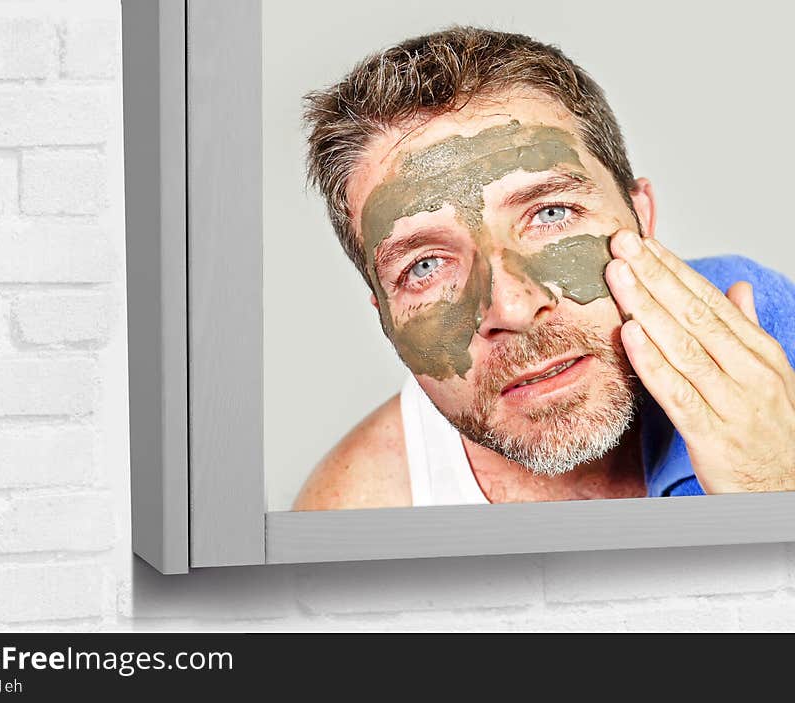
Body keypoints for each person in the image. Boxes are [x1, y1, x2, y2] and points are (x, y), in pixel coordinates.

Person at [293, 26, 795, 510]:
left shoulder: (773, 336)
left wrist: (774, 486)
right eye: (425, 265)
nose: (510, 305)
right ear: (384, 317)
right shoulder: (353, 516)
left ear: (641, 219)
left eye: (551, 215)